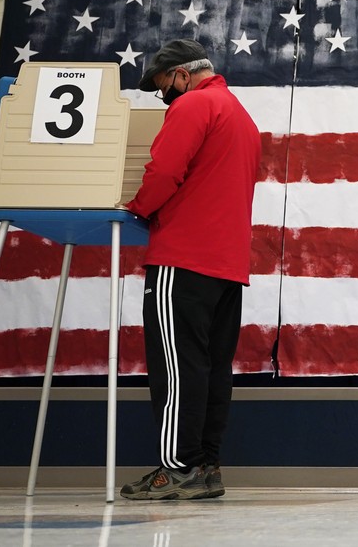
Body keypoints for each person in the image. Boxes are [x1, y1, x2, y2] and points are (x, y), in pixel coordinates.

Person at [119, 39, 262, 501]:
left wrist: (137, 208)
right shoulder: (239, 114)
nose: (164, 97)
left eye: (163, 87)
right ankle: (205, 467)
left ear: (182, 74)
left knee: (176, 367)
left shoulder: (193, 105)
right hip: (228, 262)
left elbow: (163, 172)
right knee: (212, 368)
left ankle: (175, 468)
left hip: (183, 257)